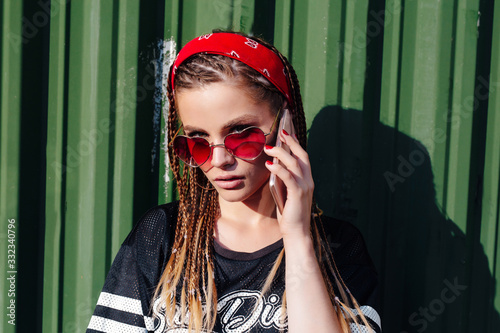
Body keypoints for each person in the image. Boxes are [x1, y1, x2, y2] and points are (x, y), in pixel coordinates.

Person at [87, 31, 381, 333]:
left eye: (242, 134)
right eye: (197, 142)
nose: (218, 161)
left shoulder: (338, 248)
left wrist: (297, 237)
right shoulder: (162, 234)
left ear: (285, 124)